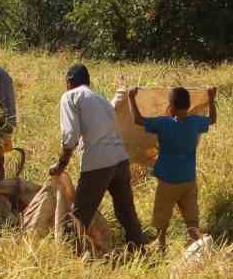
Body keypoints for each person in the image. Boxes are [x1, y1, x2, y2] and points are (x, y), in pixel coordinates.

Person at [50, 64, 148, 252]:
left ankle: (68, 257)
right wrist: (121, 90)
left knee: (80, 214)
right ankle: (139, 251)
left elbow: (70, 136)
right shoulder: (100, 99)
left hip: (98, 163)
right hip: (120, 161)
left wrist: (61, 164)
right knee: (126, 212)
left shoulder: (70, 96)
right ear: (88, 81)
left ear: (69, 82)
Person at [127, 84, 217, 253]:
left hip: (168, 181)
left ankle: (161, 246)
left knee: (162, 217)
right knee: (191, 219)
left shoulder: (164, 123)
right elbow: (212, 119)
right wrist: (211, 98)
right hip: (189, 179)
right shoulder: (195, 122)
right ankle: (201, 246)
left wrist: (131, 98)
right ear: (189, 106)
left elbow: (138, 120)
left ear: (171, 108)